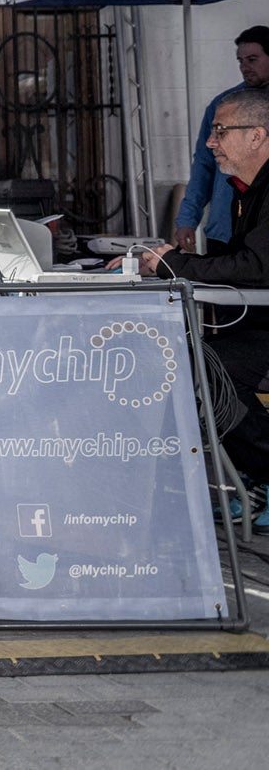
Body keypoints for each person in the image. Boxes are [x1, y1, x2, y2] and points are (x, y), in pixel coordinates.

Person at [131, 88, 269, 524]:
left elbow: (258, 265)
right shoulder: (249, 188)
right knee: (198, 365)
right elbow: (237, 258)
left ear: (256, 136)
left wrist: (173, 263)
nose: (211, 143)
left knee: (211, 373)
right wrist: (167, 260)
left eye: (220, 131)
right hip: (257, 319)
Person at [173, 27, 269, 253]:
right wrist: (187, 218)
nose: (245, 67)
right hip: (225, 226)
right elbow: (205, 165)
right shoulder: (224, 105)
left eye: (252, 59)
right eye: (240, 60)